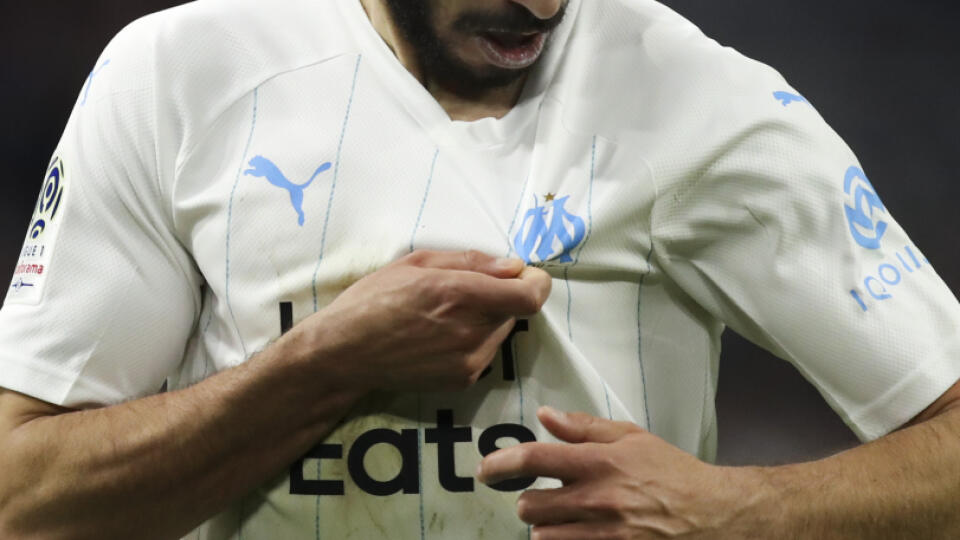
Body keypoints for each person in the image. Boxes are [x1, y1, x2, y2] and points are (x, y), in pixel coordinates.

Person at [0, 0, 958, 538]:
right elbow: (25, 499)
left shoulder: (703, 97)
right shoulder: (179, 74)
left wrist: (737, 511)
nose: (540, 4)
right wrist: (328, 361)